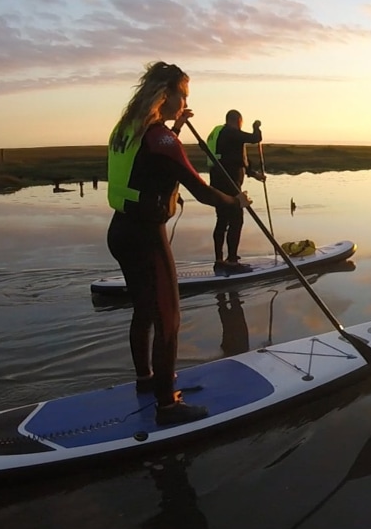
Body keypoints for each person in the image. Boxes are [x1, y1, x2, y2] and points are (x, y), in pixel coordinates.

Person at [107, 61, 250, 426]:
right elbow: (201, 191)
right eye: (182, 94)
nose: (185, 99)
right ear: (165, 94)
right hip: (146, 236)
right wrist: (236, 202)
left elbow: (149, 159)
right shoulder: (163, 139)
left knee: (144, 310)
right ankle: (167, 406)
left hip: (120, 231)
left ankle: (147, 381)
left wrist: (176, 125)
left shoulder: (126, 130)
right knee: (168, 317)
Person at [206, 110, 263, 273]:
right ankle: (232, 262)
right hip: (230, 186)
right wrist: (256, 127)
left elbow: (237, 159)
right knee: (236, 220)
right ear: (238, 120)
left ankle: (219, 259)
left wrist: (254, 175)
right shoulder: (231, 132)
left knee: (222, 221)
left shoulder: (218, 134)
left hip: (217, 184)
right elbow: (255, 138)